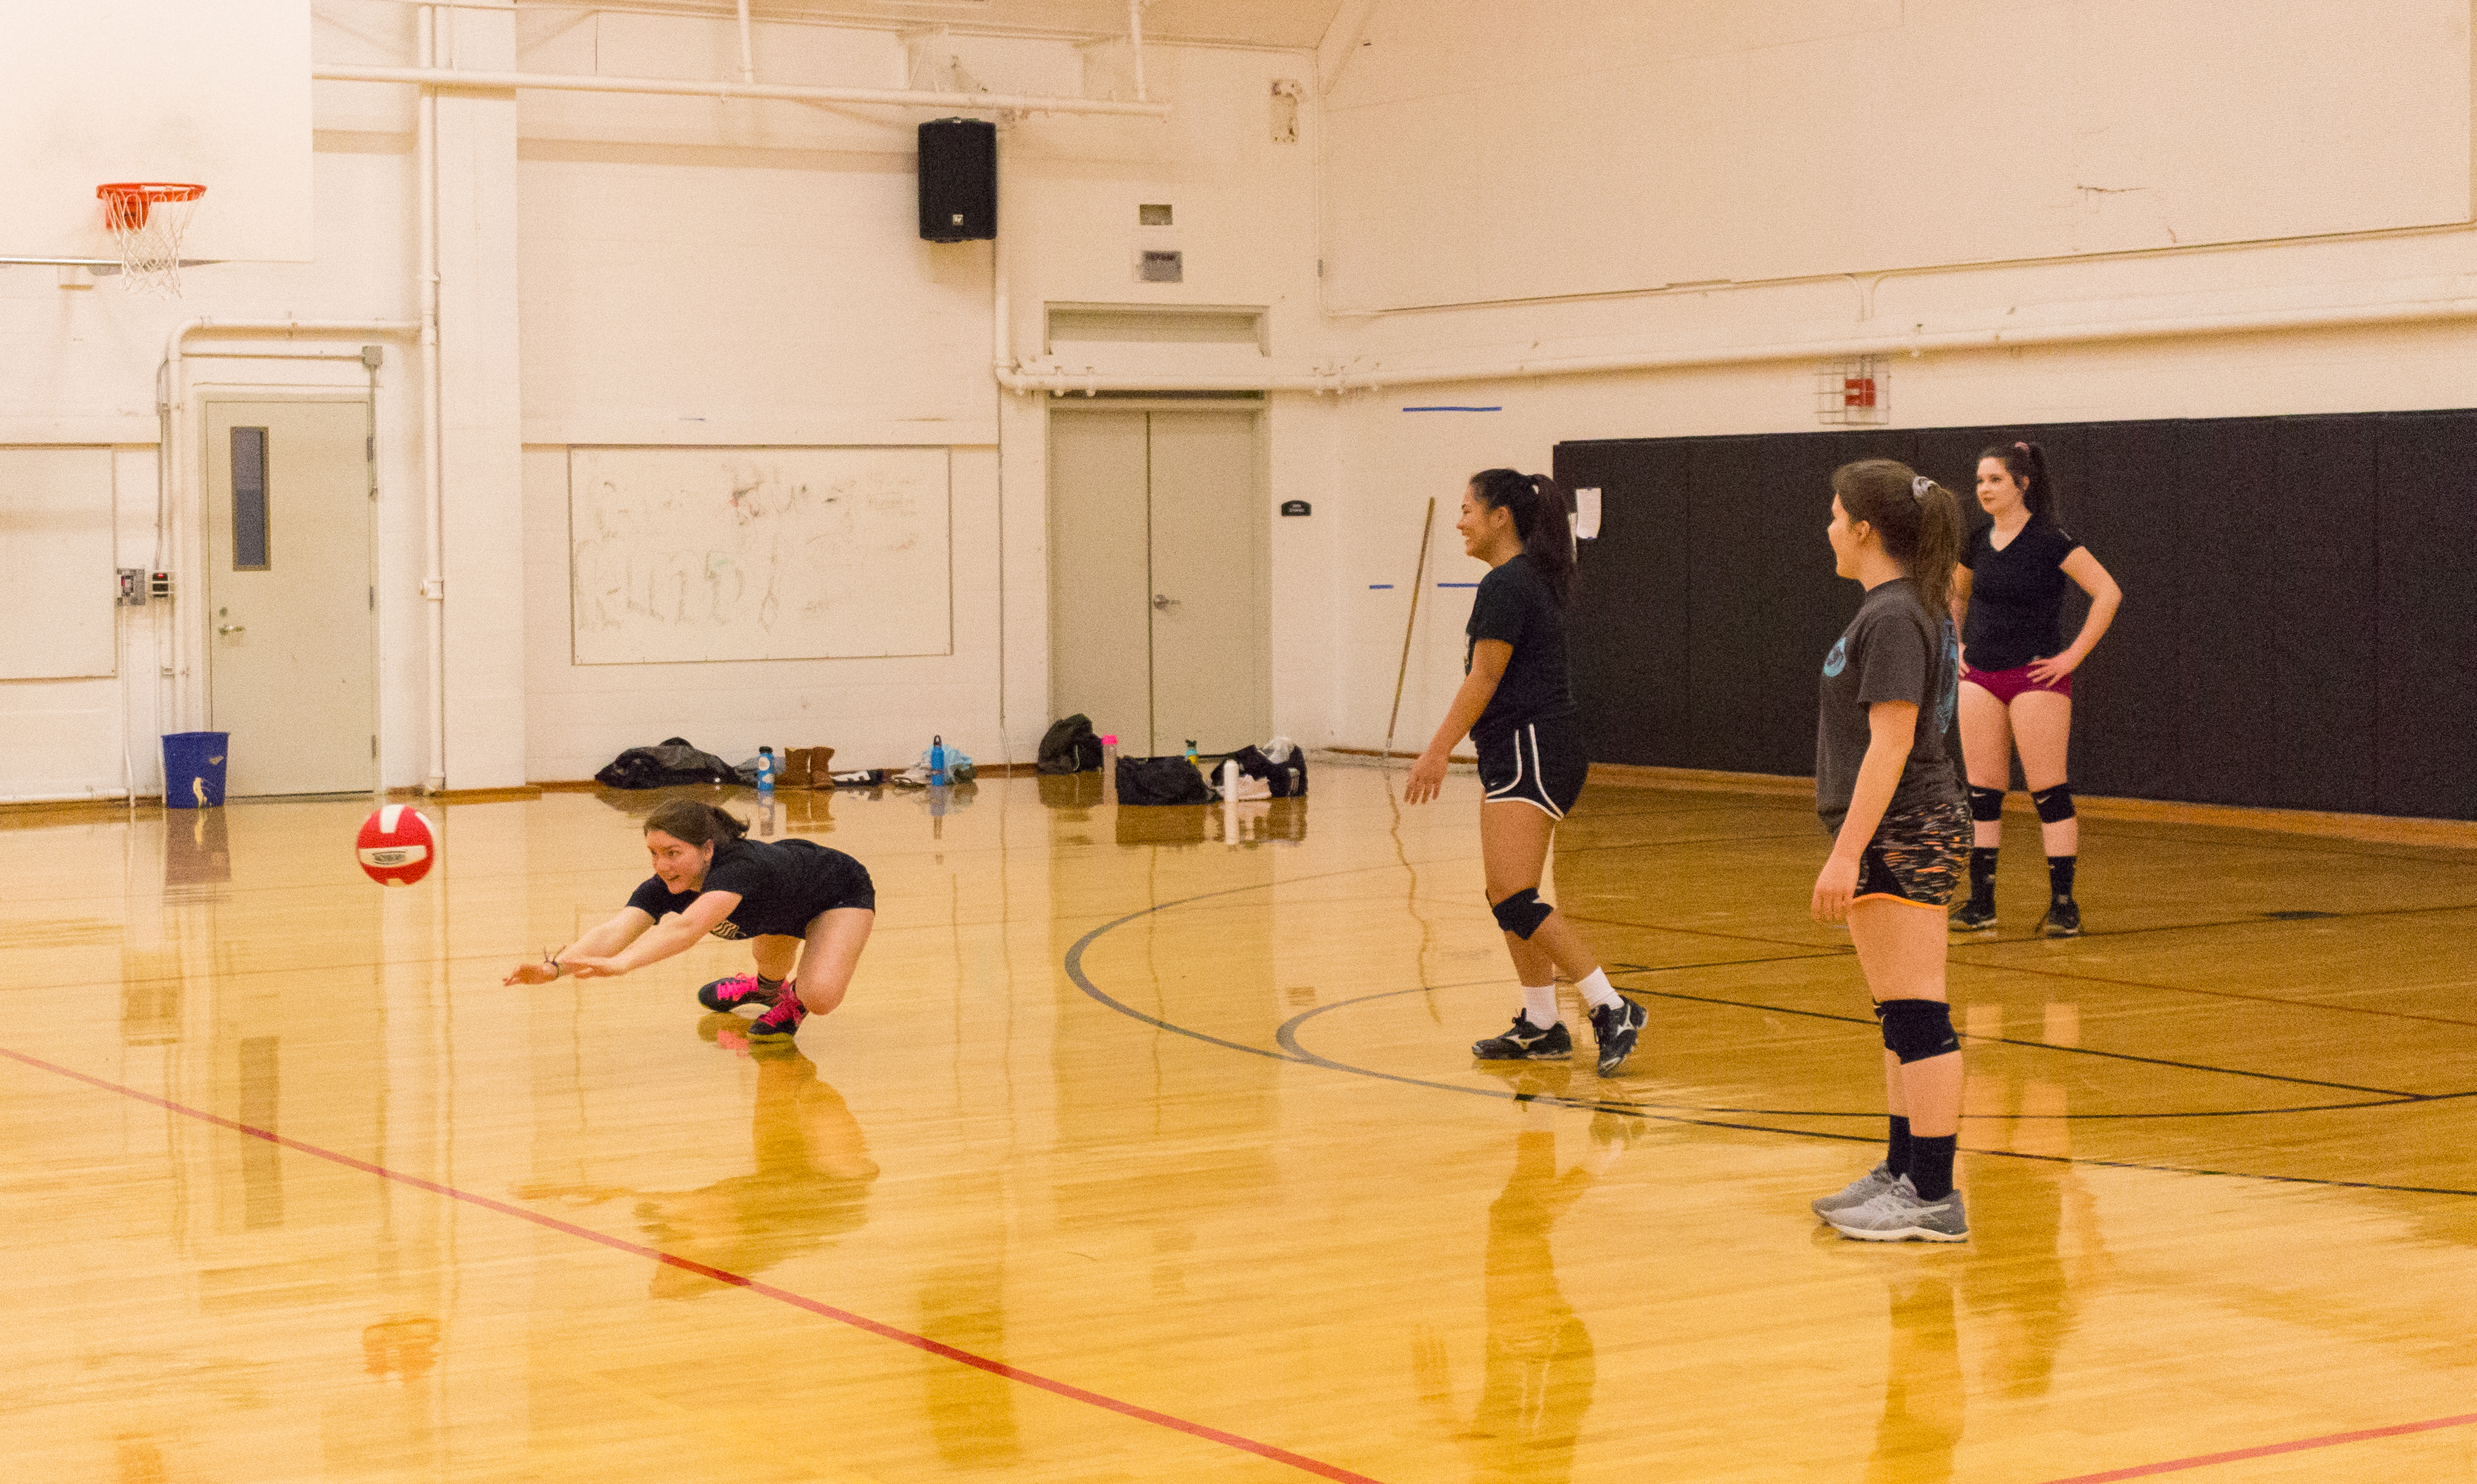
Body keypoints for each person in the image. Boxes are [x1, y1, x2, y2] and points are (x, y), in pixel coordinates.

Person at [1404, 468, 1648, 1078]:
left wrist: (1436, 751)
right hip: (1524, 748)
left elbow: (1483, 679)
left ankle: (1611, 1007)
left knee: (1513, 895)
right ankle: (1541, 1023)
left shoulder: (1509, 584)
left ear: (1499, 518)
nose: (1459, 522)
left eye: (1467, 510)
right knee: (1507, 895)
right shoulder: (1517, 580)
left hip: (1532, 748)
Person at [1808, 458, 1972, 1242]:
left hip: (1903, 827)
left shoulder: (1897, 615)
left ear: (1866, 529)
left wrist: (1846, 854)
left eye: (1836, 515)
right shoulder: (1900, 610)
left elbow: (1893, 740)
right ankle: (1902, 1168)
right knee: (1896, 1016)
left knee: (1917, 1015)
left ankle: (1934, 1195)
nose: (1829, 528)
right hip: (1900, 826)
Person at [503, 798, 875, 1040]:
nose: (662, 866)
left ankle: (794, 999)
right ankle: (764, 989)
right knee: (770, 960)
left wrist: (622, 965)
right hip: (782, 904)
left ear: (708, 849)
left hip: (835, 892)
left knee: (821, 996)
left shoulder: (738, 870)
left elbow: (686, 928)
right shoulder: (667, 884)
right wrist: (555, 969)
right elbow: (618, 928)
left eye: (673, 853)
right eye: (654, 853)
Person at [1949, 441, 2122, 936]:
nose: (1984, 488)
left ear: (2022, 484)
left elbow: (2108, 591)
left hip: (2035, 677)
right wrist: (1956, 644)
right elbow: (1952, 593)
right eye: (1980, 480)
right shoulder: (1978, 541)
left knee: (2048, 792)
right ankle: (1983, 902)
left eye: (1995, 480)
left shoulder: (2050, 539)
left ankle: (2064, 905)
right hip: (1980, 676)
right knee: (1983, 793)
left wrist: (2072, 655)